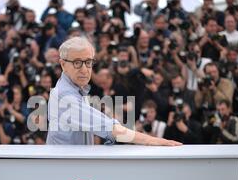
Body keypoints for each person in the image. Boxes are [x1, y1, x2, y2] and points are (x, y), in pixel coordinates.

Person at [46, 37, 181, 146]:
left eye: (88, 62)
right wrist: (155, 141)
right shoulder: (65, 96)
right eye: (77, 62)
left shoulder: (76, 88)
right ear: (63, 64)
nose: (84, 69)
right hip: (65, 172)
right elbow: (111, 129)